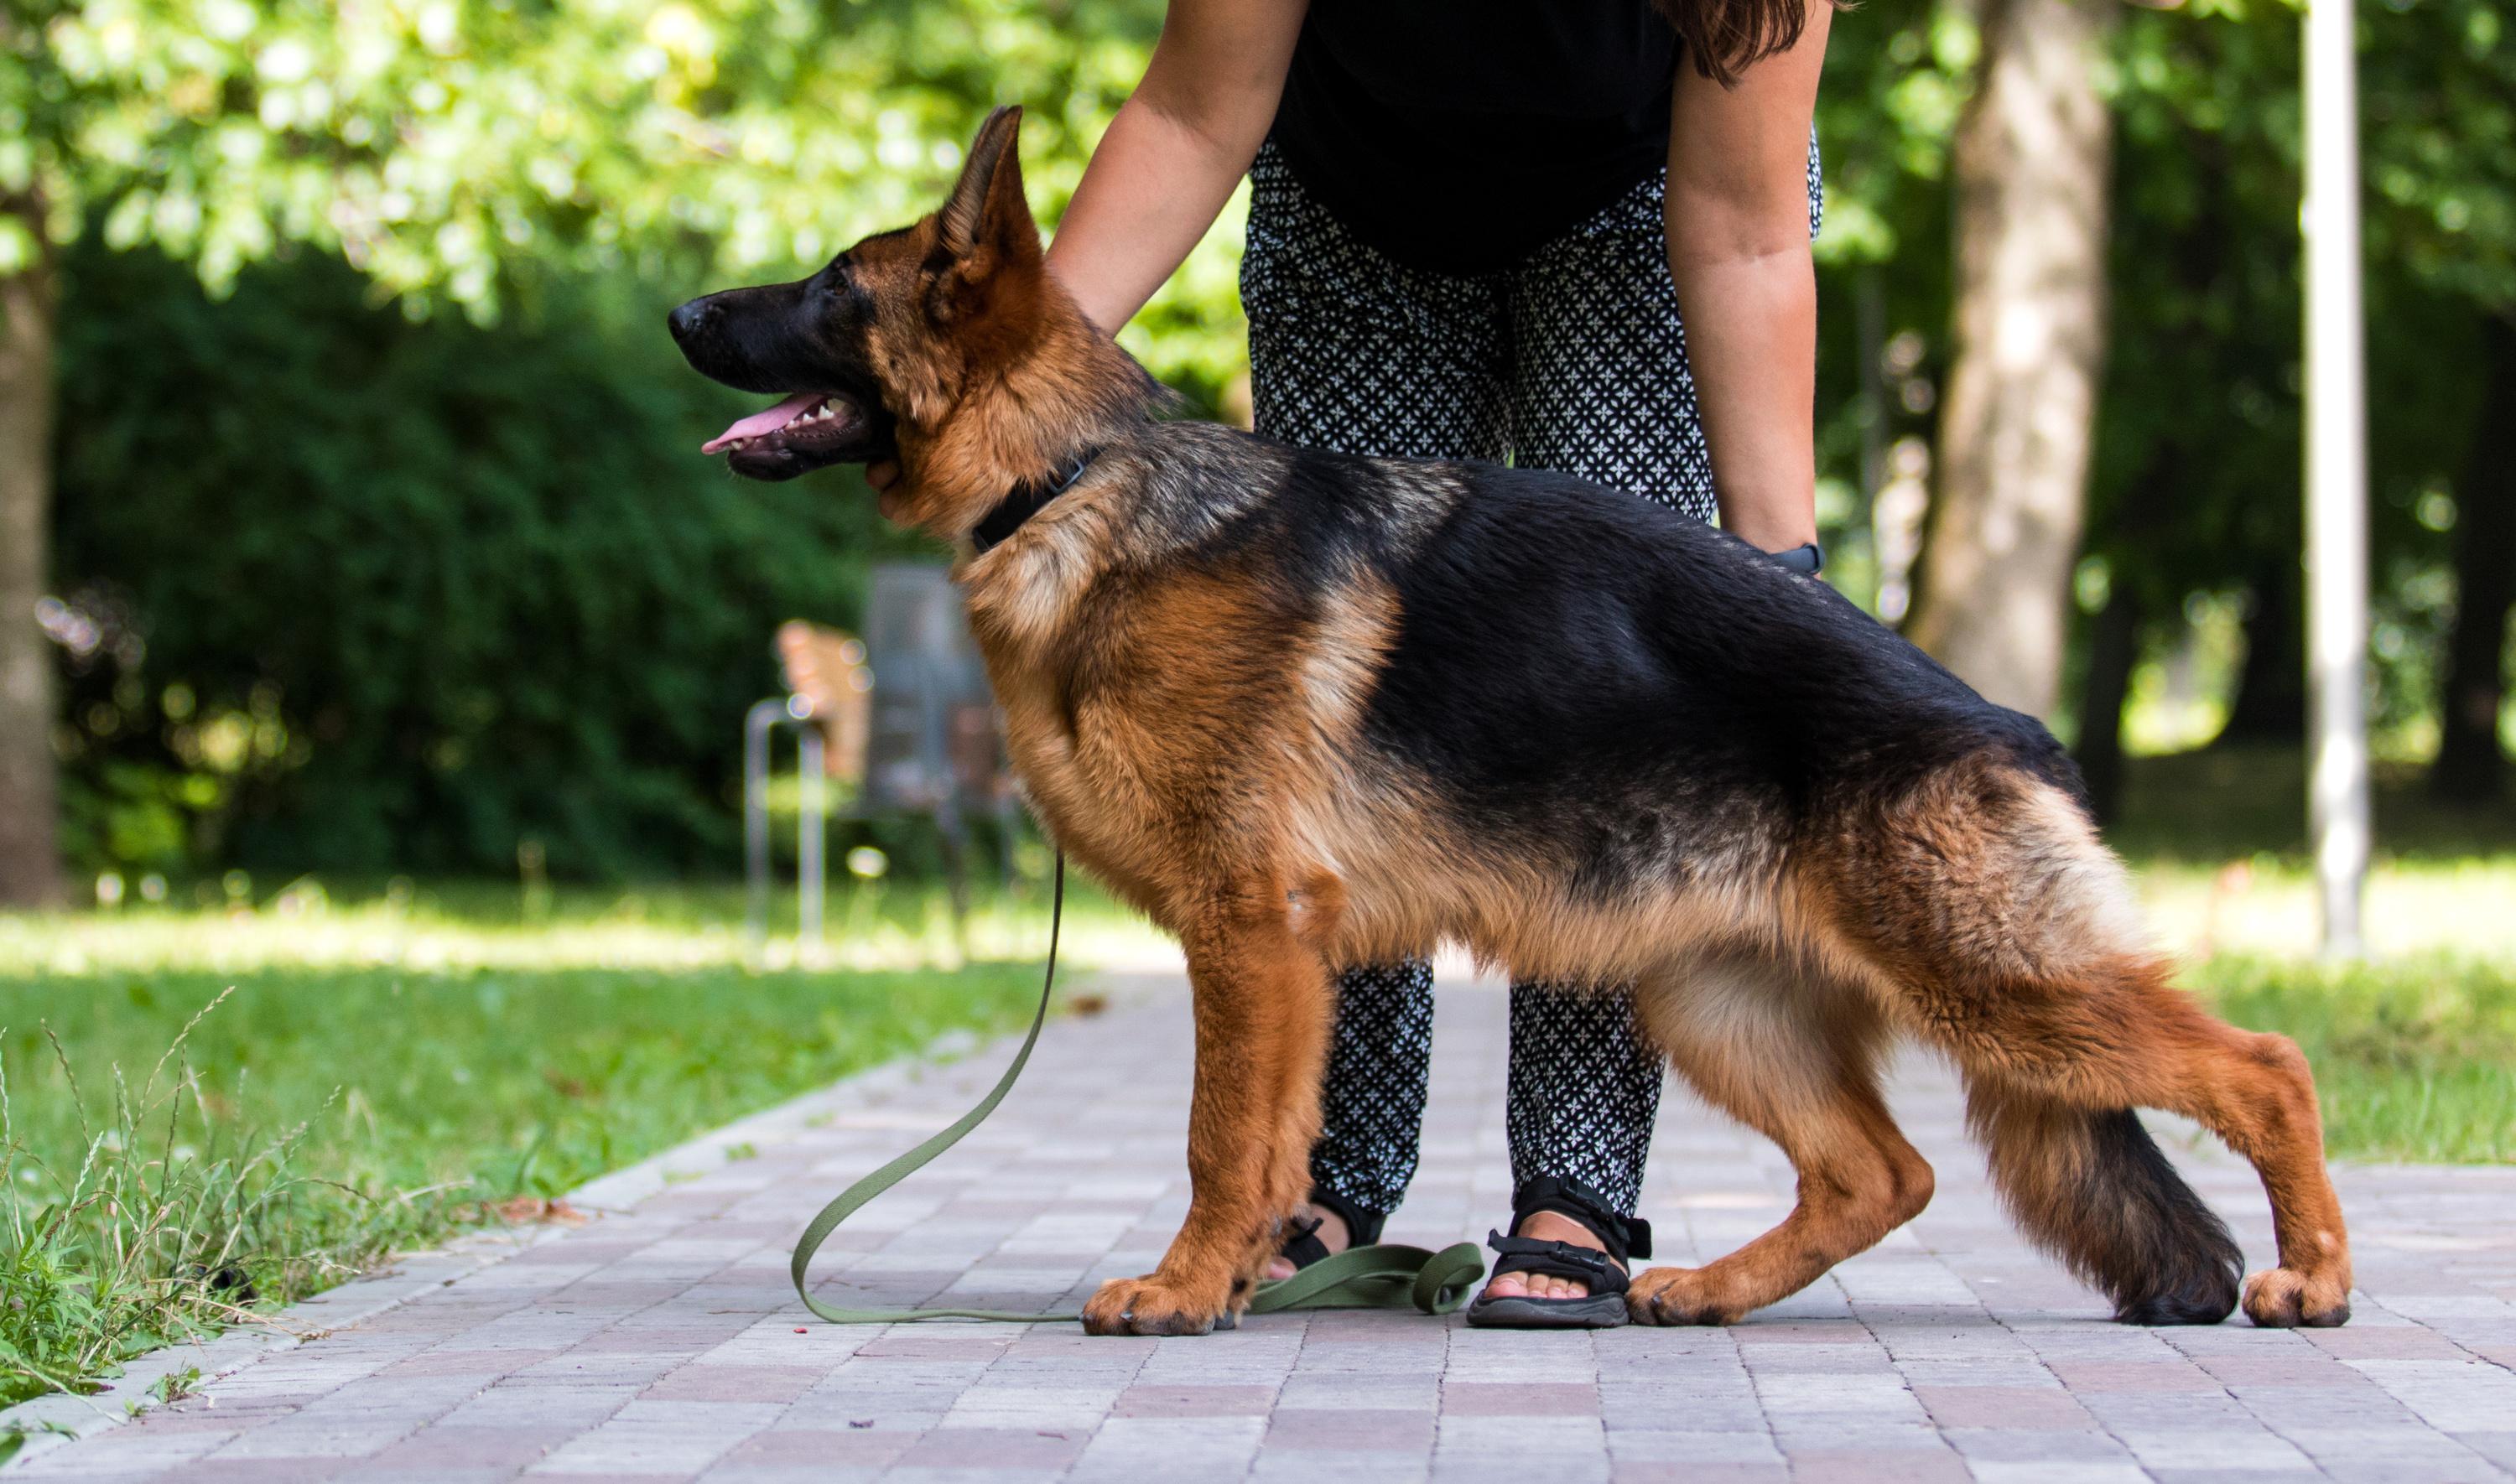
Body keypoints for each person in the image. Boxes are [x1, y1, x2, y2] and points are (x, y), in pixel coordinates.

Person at [906, 0, 1832, 1326]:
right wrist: (1006, 374)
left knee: (1601, 709)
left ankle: (1575, 1187)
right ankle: (1318, 1181)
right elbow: (1191, 112)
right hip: (1355, 221)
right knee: (1321, 736)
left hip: (1645, 216)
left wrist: (1779, 583)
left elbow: (1746, 232)